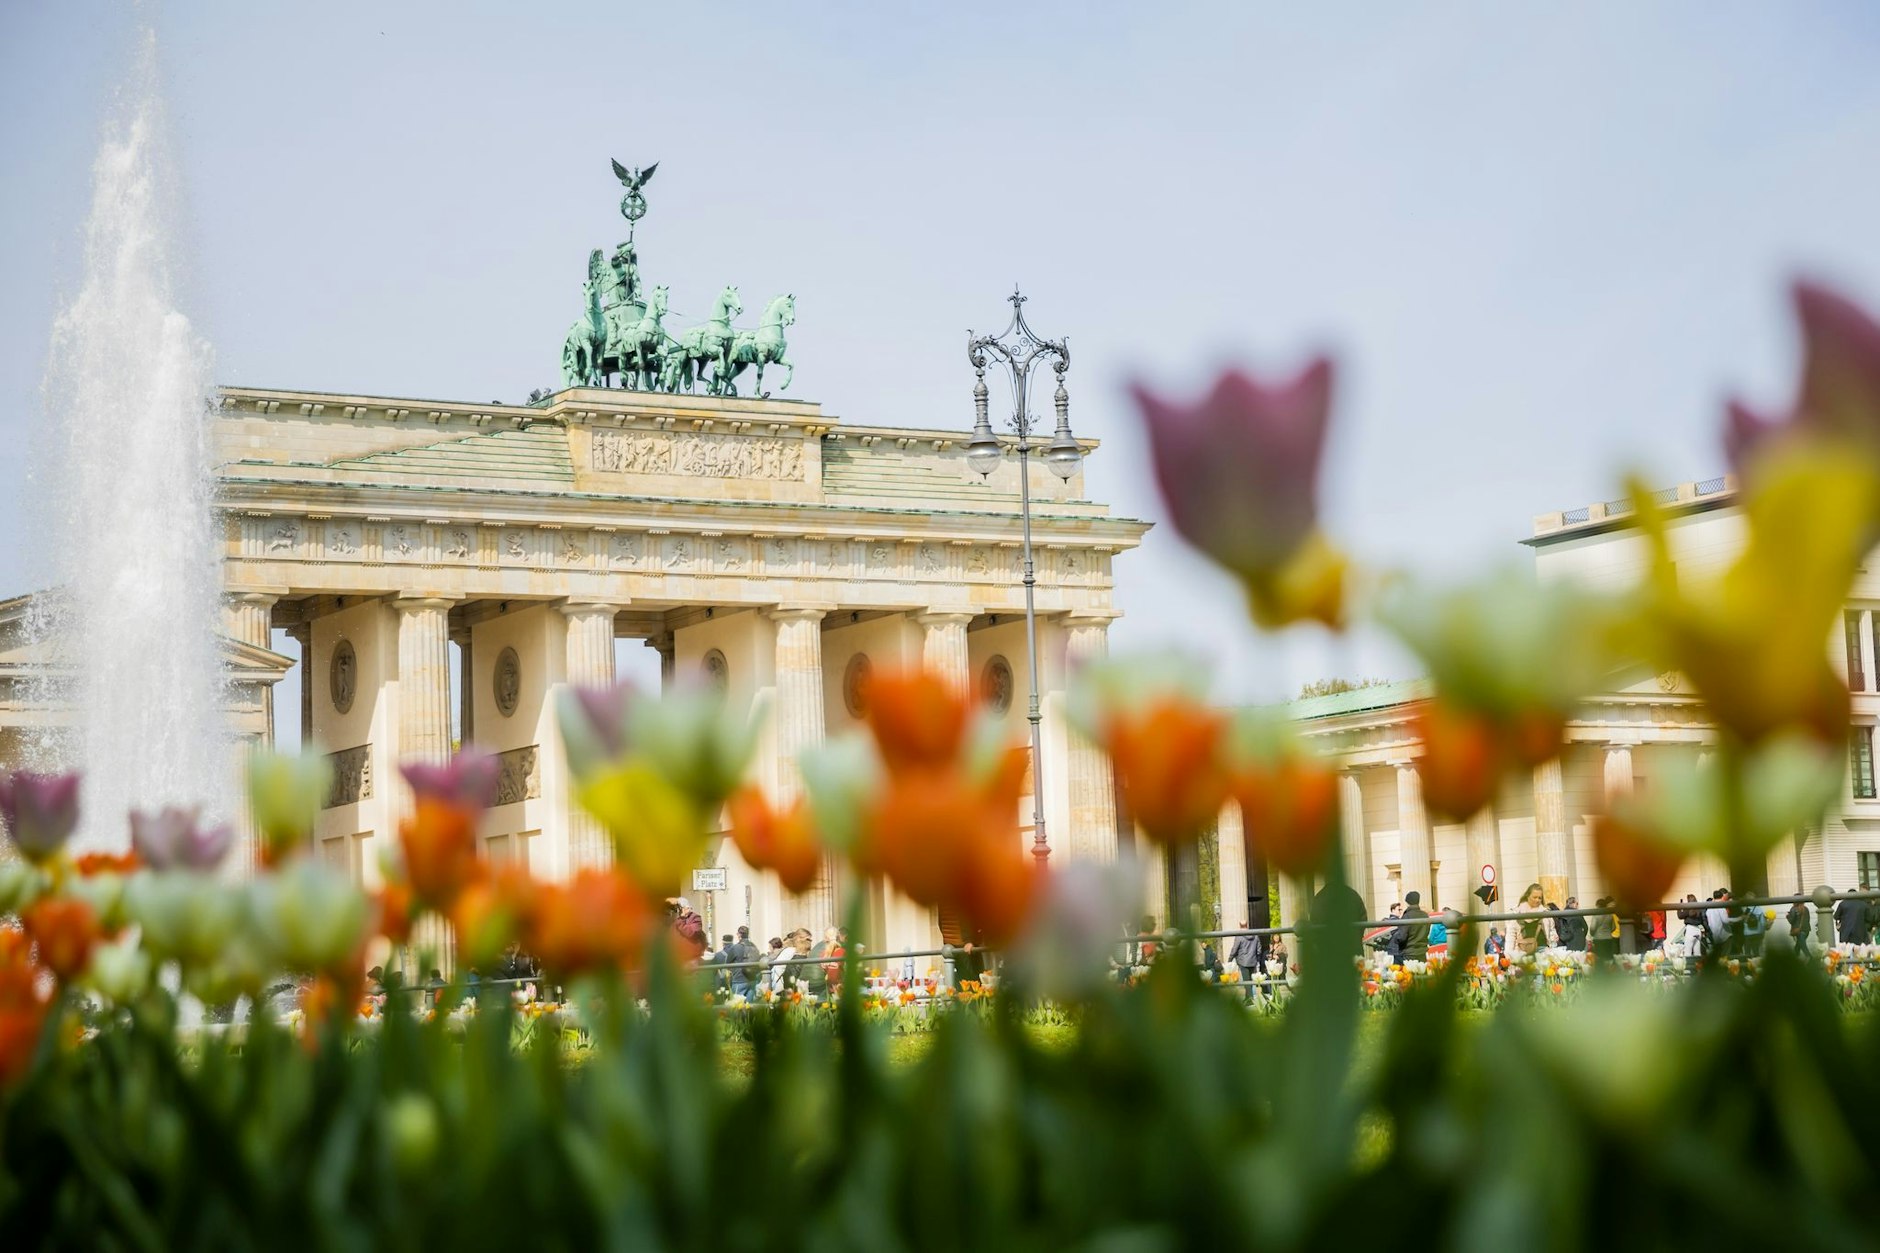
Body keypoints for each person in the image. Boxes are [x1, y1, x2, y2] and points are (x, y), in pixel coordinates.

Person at [1512, 883, 1556, 955]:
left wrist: (1553, 948)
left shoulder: (1546, 912)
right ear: (1528, 896)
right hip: (1523, 950)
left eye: (1539, 898)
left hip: (1542, 950)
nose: (1537, 900)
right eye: (1534, 897)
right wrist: (1510, 954)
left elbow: (1552, 932)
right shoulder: (1517, 912)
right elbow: (1511, 935)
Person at [1229, 923, 1264, 1000]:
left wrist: (1230, 959)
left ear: (1240, 925)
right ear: (1247, 925)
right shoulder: (1255, 936)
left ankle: (1250, 999)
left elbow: (1234, 949)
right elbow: (1259, 949)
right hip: (1253, 960)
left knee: (1246, 980)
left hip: (1243, 961)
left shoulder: (1239, 936)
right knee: (1250, 981)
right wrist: (1257, 959)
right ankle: (1247, 998)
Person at [1394, 891, 1430, 963]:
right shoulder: (1425, 915)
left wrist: (1396, 939)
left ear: (1407, 902)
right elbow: (1427, 931)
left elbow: (1402, 937)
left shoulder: (1407, 916)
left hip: (1409, 951)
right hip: (1422, 951)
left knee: (1408, 973)